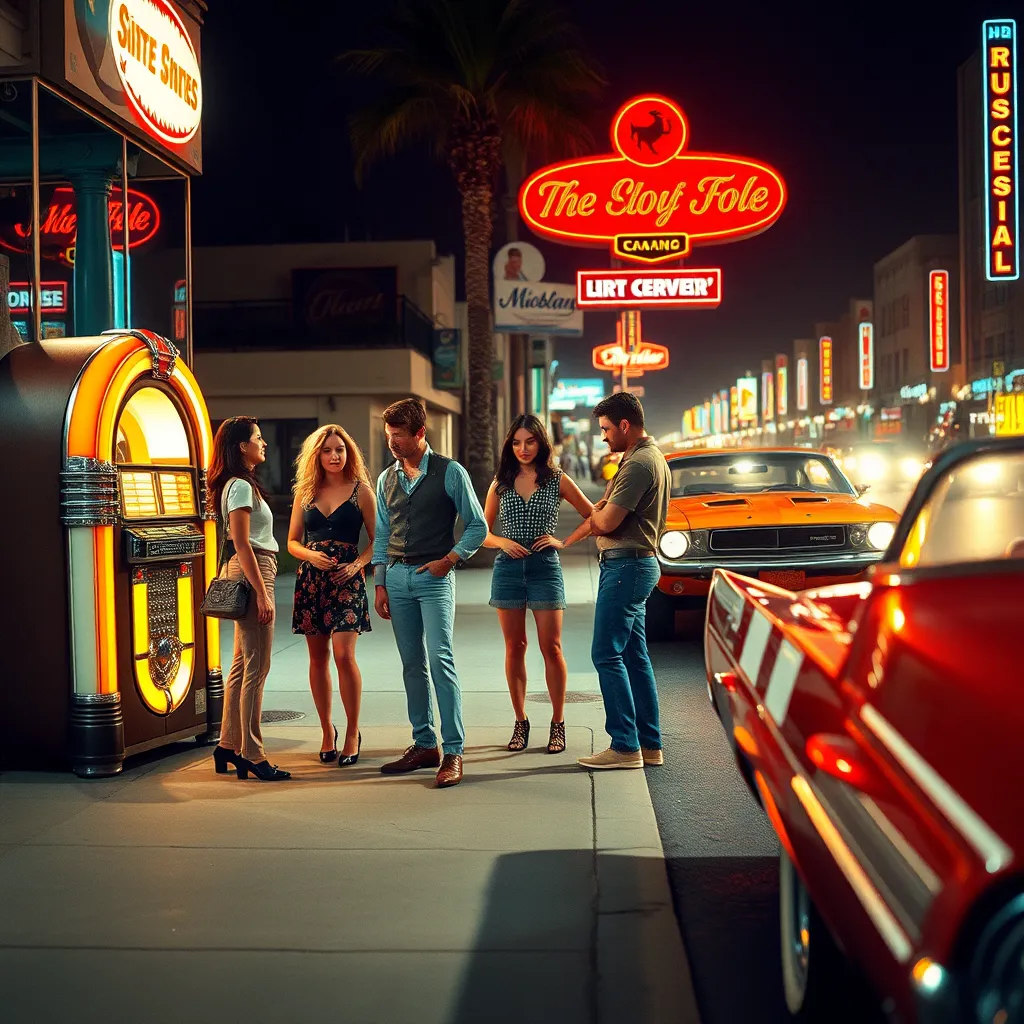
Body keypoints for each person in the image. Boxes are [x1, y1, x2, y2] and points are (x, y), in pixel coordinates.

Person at [372, 398, 487, 788]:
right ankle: (424, 743)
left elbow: (477, 526)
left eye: (398, 437)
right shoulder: (386, 478)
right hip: (398, 579)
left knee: (440, 661)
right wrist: (381, 581)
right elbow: (384, 533)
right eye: (388, 436)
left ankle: (453, 750)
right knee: (411, 665)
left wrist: (449, 560)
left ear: (420, 433)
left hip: (435, 578)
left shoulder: (450, 472)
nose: (392, 444)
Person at [482, 415, 593, 754]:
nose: (523, 448)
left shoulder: (557, 479)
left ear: (541, 444)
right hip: (508, 570)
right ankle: (520, 721)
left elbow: (594, 516)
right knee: (515, 647)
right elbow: (480, 533)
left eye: (529, 442)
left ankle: (558, 723)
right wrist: (502, 542)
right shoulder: (500, 483)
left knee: (552, 647)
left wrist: (564, 541)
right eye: (516, 443)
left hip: (545, 568)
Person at [577, 392, 671, 771]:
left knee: (605, 653)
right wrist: (599, 512)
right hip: (636, 565)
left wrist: (596, 515)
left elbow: (605, 521)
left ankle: (624, 746)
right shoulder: (647, 457)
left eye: (605, 429)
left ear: (625, 425)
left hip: (626, 566)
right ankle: (648, 744)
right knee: (634, 655)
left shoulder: (637, 465)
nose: (603, 437)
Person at [207, 417, 290, 782]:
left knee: (242, 667)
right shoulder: (240, 486)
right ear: (242, 446)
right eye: (258, 438)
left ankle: (227, 745)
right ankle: (252, 754)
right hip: (255, 570)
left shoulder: (236, 484)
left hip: (249, 569)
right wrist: (261, 593)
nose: (264, 444)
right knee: (257, 669)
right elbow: (242, 544)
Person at [287, 425, 375, 767]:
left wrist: (357, 566)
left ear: (348, 452)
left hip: (347, 581)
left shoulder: (361, 491)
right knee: (317, 658)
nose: (335, 456)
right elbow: (292, 541)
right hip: (311, 581)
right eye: (328, 451)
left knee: (343, 655)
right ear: (317, 455)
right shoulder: (305, 492)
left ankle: (352, 731)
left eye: (340, 449)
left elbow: (376, 541)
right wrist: (310, 555)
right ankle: (326, 729)